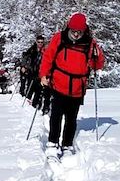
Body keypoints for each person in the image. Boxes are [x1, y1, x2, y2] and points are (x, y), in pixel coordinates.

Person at [40, 13, 105, 156]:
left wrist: (97, 55)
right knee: (56, 115)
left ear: (84, 30)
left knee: (71, 118)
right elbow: (48, 57)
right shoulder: (59, 38)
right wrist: (44, 74)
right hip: (58, 83)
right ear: (69, 28)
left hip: (77, 87)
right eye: (73, 31)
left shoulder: (90, 43)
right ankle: (52, 142)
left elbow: (96, 65)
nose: (76, 34)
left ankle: (67, 144)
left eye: (79, 32)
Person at [25, 35, 50, 113]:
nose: (40, 43)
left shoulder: (45, 50)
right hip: (33, 71)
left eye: (41, 42)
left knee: (39, 89)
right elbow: (27, 57)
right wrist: (26, 67)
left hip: (41, 72)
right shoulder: (32, 49)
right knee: (32, 87)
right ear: (36, 42)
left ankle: (37, 104)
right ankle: (29, 100)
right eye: (38, 42)